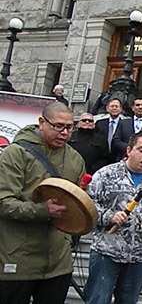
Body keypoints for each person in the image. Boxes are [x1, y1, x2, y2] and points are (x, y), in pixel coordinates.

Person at [0, 102, 84, 304]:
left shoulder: (75, 159)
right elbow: (3, 202)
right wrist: (43, 210)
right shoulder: (16, 153)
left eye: (69, 127)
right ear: (41, 123)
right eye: (58, 126)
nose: (64, 132)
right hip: (17, 258)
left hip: (58, 263)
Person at [84, 132, 142, 304]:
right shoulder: (106, 174)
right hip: (106, 252)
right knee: (97, 300)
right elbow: (88, 205)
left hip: (139, 256)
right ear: (129, 150)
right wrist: (109, 216)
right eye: (141, 150)